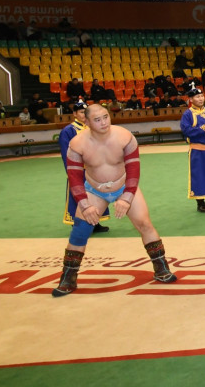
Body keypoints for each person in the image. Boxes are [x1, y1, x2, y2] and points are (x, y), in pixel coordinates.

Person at [52, 104, 177, 297]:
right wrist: (84, 205)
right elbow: (74, 177)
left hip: (124, 185)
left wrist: (127, 197)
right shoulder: (77, 143)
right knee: (80, 232)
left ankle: (161, 268)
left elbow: (134, 170)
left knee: (144, 224)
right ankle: (68, 278)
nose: (103, 122)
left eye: (106, 117)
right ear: (87, 122)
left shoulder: (125, 136)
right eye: (97, 120)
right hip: (94, 189)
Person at [59, 99, 109, 234]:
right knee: (79, 197)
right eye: (81, 112)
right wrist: (72, 172)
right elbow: (66, 153)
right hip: (79, 170)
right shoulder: (68, 131)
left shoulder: (92, 128)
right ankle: (78, 226)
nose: (83, 115)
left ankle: (95, 223)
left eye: (85, 112)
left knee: (96, 196)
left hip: (94, 170)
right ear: (74, 113)